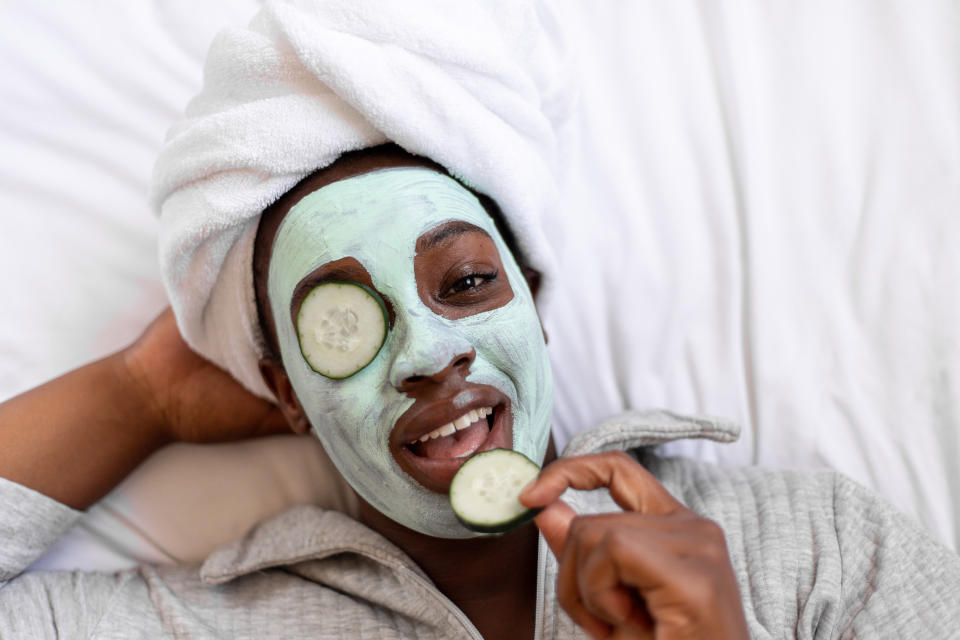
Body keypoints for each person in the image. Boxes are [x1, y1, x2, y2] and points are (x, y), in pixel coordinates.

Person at [2, 144, 959, 640]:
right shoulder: (201, 625)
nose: (426, 354)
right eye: (343, 329)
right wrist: (141, 395)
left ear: (533, 304)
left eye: (464, 284)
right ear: (288, 397)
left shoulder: (819, 547)